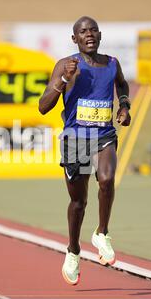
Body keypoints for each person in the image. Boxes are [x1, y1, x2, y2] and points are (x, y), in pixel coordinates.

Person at [39, 16, 131, 285]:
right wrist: (64, 79)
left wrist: (124, 106)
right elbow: (43, 107)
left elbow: (122, 85)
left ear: (100, 35)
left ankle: (102, 233)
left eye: (93, 30)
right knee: (79, 202)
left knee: (107, 179)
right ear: (74, 39)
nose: (88, 34)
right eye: (83, 32)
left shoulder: (112, 63)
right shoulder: (66, 65)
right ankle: (73, 250)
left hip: (103, 135)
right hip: (76, 139)